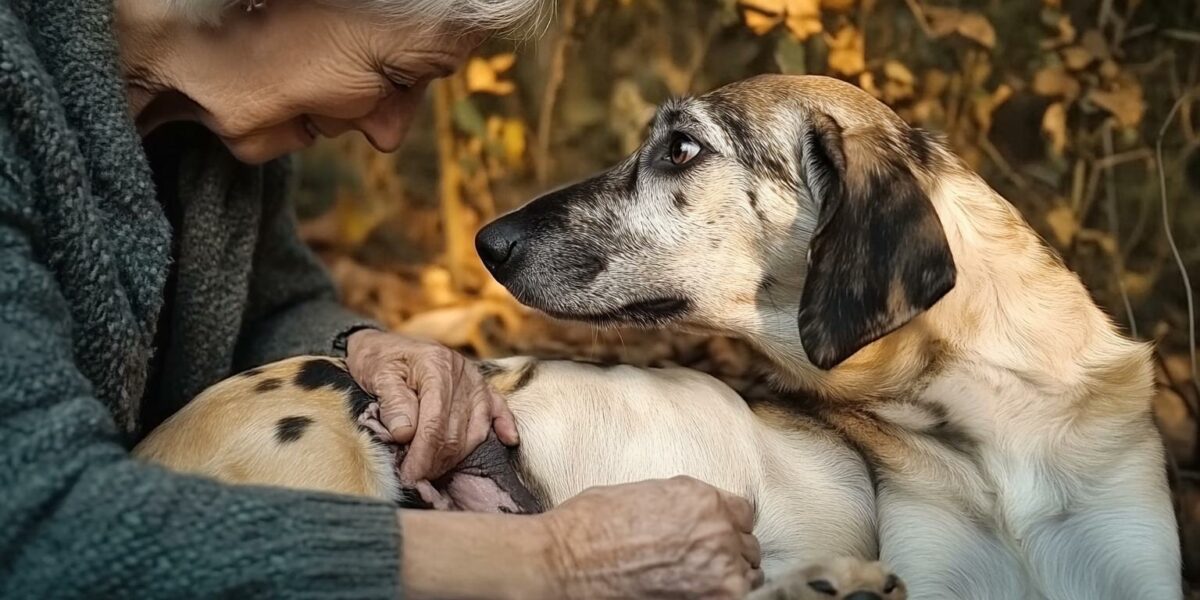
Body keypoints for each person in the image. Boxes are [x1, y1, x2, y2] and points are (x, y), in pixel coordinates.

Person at [0, 0, 763, 598]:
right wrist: (552, 557)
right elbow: (33, 524)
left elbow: (271, 305)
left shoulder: (220, 137)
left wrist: (366, 345)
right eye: (398, 78)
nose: (391, 136)